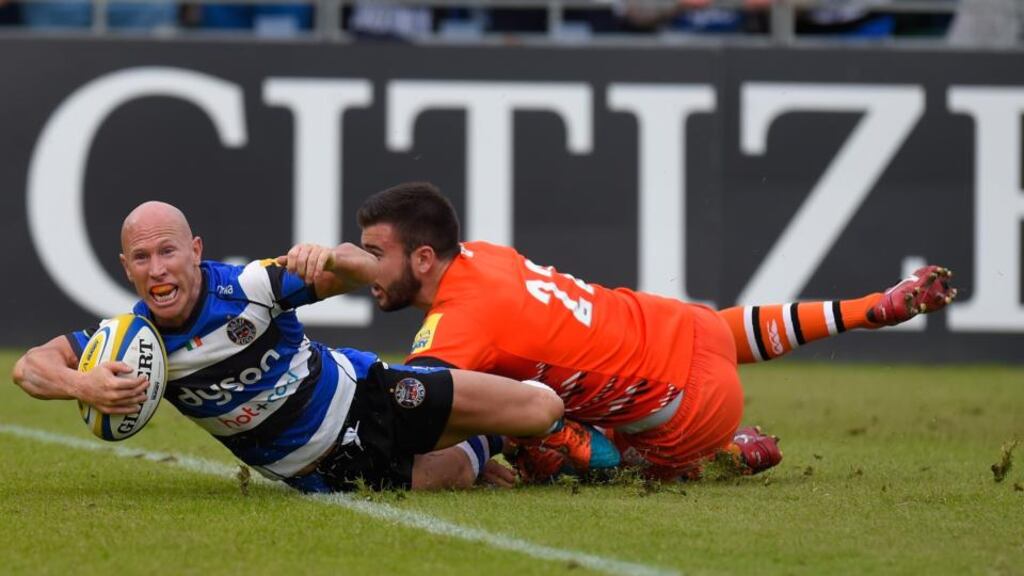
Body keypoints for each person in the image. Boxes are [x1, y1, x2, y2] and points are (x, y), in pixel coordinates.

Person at [355, 182, 957, 482]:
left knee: (533, 441)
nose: (361, 268)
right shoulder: (485, 255)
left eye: (374, 254)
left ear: (425, 258)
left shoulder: (460, 321)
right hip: (684, 328)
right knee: (718, 333)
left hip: (684, 409)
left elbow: (410, 419)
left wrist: (484, 448)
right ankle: (866, 307)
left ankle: (719, 453)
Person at [11, 201, 565, 492]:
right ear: (125, 268)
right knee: (456, 474)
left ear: (194, 250)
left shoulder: (250, 287)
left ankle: (575, 412)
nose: (157, 269)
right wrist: (82, 384)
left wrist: (328, 255)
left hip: (373, 401)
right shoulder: (138, 340)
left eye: (168, 251)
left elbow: (365, 270)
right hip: (324, 478)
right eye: (141, 258)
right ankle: (489, 441)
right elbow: (30, 368)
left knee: (542, 409)